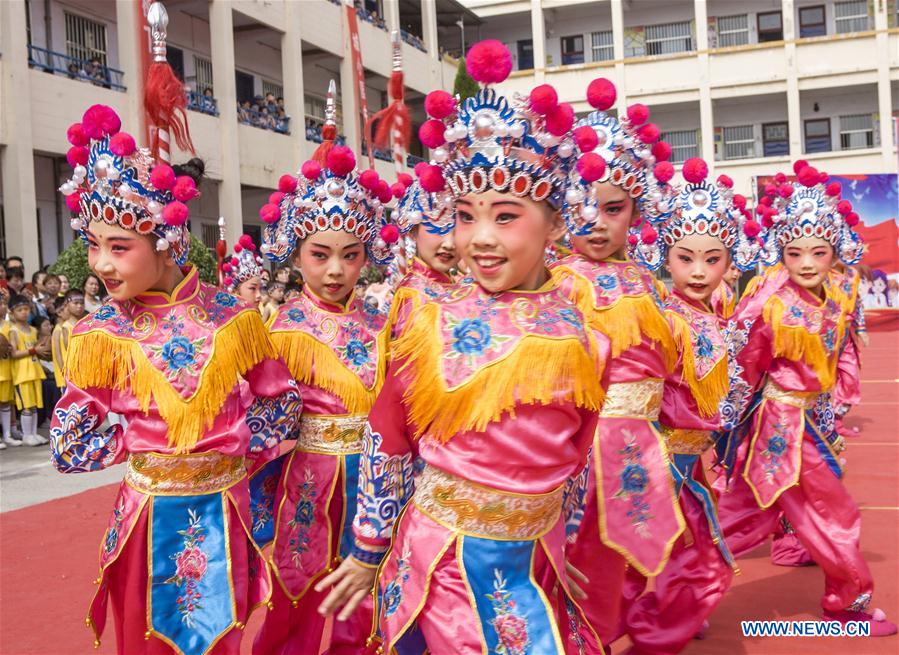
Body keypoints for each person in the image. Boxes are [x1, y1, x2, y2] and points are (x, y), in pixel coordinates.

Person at [317, 41, 607, 654]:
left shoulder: (586, 334)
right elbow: (388, 438)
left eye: (505, 216)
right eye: (465, 215)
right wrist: (368, 548)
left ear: (556, 223)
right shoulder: (428, 320)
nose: (478, 239)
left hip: (537, 557)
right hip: (443, 558)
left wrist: (566, 538)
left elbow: (577, 459)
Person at [50, 104, 303, 654]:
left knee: (222, 639)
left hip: (224, 508)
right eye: (94, 245)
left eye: (119, 247)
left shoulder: (231, 318)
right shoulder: (101, 331)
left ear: (166, 242)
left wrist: (235, 447)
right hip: (145, 516)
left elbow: (282, 400)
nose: (101, 264)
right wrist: (143, 447)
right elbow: (68, 442)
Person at [715, 161, 896, 636]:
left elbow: (839, 356)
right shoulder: (769, 302)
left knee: (753, 517)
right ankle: (846, 605)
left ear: (833, 251)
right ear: (782, 255)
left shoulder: (836, 295)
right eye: (796, 254)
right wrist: (724, 427)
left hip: (811, 422)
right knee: (823, 514)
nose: (809, 263)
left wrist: (835, 402)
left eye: (819, 252)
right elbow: (744, 365)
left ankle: (677, 595)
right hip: (779, 427)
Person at [250, 81, 396, 655]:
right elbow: (259, 429)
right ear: (296, 252)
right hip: (310, 478)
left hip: (377, 478)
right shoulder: (282, 329)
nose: (336, 269)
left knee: (372, 593)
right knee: (304, 591)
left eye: (350, 254)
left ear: (367, 255)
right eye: (320, 254)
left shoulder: (383, 320)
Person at [549, 77, 684, 646]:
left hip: (644, 449)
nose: (598, 223)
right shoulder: (555, 284)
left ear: (636, 210)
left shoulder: (646, 282)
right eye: (584, 207)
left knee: (623, 573)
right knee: (583, 576)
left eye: (613, 208)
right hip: (580, 457)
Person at [619, 159, 764, 653]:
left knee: (687, 546)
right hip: (660, 459)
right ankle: (651, 622)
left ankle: (669, 612)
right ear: (666, 256)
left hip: (690, 460)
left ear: (730, 260)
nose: (699, 271)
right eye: (685, 258)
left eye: (712, 259)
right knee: (660, 548)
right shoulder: (660, 314)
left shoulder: (708, 312)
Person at [385, 177, 458, 338]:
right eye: (438, 228)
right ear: (413, 231)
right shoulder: (413, 296)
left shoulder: (456, 283)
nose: (450, 244)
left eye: (458, 231)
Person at [7, 294, 48, 446]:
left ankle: (33, 433)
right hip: (22, 374)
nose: (24, 312)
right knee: (26, 406)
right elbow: (14, 353)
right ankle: (26, 435)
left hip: (35, 371)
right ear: (12, 312)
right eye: (20, 310)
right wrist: (34, 350)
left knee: (35, 405)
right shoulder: (14, 331)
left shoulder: (32, 329)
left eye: (26, 309)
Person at [51, 290, 85, 396]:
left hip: (83, 373)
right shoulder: (66, 327)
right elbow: (69, 351)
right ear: (67, 304)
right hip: (72, 375)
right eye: (76, 303)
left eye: (81, 303)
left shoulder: (83, 324)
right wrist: (64, 374)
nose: (79, 306)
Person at [0, 290, 20, 449]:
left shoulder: (9, 326)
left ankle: (7, 434)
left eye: (2, 304)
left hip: (6, 370)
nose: (1, 307)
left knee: (6, 403)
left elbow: (12, 347)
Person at [222, 234, 265, 309]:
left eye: (260, 289)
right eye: (252, 288)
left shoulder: (260, 312)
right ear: (235, 292)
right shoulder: (225, 319)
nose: (259, 295)